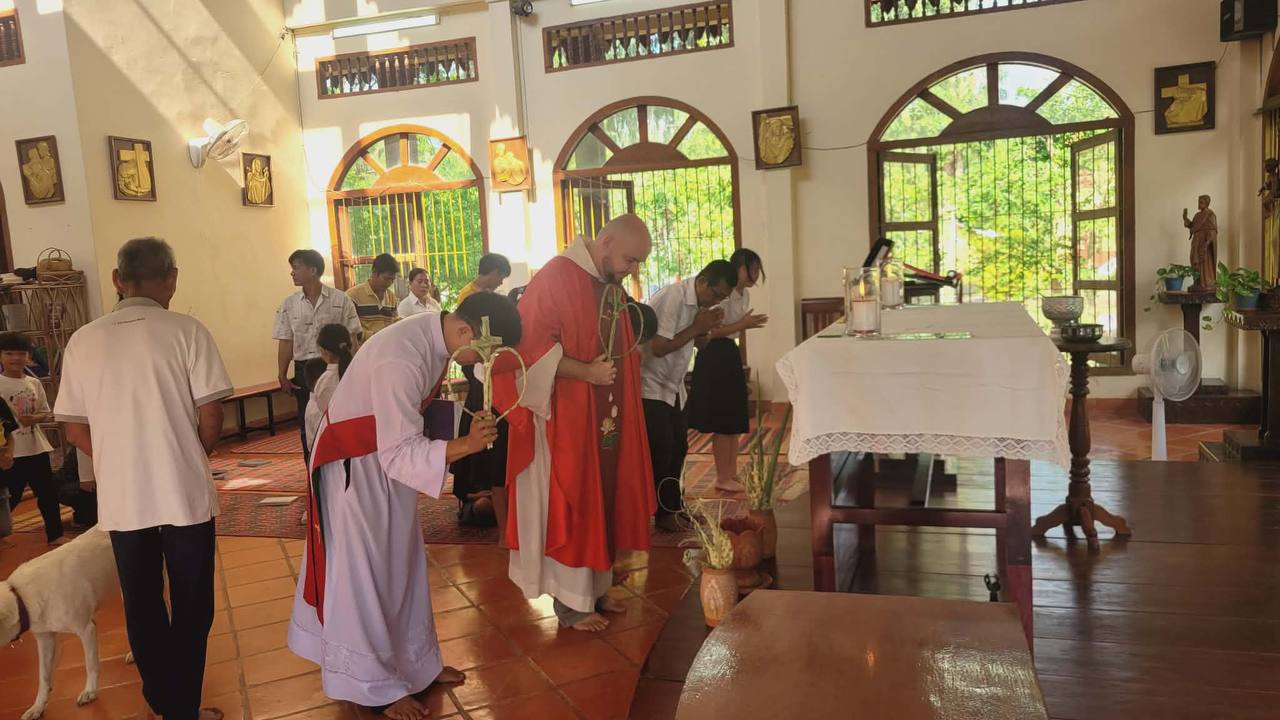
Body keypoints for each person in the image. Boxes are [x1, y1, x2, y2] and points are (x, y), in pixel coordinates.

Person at [289, 293, 521, 720]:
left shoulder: (436, 338)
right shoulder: (402, 356)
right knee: (365, 573)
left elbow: (409, 424)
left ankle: (417, 666)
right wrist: (466, 445)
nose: (485, 365)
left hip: (385, 461)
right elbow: (398, 451)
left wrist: (461, 433)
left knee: (402, 564)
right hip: (355, 467)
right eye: (487, 354)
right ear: (466, 331)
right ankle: (372, 686)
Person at [55, 237, 232, 720]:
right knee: (192, 602)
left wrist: (118, 458)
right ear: (172, 278)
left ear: (117, 279)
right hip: (184, 492)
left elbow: (73, 427)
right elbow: (211, 414)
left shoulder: (84, 340)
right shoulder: (187, 330)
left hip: (123, 497)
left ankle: (163, 701)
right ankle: (182, 707)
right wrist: (186, 454)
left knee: (141, 601)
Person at [493, 214, 657, 633]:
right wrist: (586, 373)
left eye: (638, 262)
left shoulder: (607, 284)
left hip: (600, 417)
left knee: (602, 496)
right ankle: (571, 603)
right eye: (630, 259)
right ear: (606, 242)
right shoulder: (556, 277)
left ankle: (595, 590)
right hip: (562, 420)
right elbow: (526, 351)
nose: (632, 270)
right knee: (573, 503)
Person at [641, 261, 737, 531]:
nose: (716, 300)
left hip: (673, 386)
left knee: (679, 449)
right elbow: (658, 347)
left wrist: (706, 328)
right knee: (662, 451)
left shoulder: (700, 303)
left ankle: (675, 507)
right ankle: (663, 514)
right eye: (716, 294)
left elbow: (700, 343)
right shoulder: (673, 297)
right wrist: (697, 327)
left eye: (722, 298)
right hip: (650, 385)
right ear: (703, 281)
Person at [687, 249, 769, 493]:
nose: (755, 274)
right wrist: (742, 324)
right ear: (738, 268)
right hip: (713, 354)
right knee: (722, 420)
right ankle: (723, 476)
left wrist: (742, 326)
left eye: (757, 269)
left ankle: (730, 473)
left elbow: (732, 329)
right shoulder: (723, 295)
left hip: (729, 354)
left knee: (733, 419)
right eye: (751, 268)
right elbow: (708, 332)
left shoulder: (744, 295)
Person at [273, 249, 362, 459]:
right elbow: (286, 340)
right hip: (306, 369)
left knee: (340, 416)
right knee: (309, 421)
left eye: (296, 268)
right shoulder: (289, 305)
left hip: (335, 365)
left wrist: (355, 370)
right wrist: (282, 374)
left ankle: (343, 462)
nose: (292, 273)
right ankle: (313, 467)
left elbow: (353, 338)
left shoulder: (340, 299)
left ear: (313, 270)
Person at [0, 332, 63, 545]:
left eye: (21, 353)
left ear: (29, 356)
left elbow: (45, 411)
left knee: (47, 494)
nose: (15, 358)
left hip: (36, 447)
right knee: (11, 496)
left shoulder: (34, 383)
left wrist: (32, 419)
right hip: (10, 451)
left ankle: (55, 535)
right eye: (9, 353)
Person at [303, 324, 354, 450]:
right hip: (364, 440)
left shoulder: (324, 382)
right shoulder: (362, 371)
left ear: (324, 352)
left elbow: (324, 416)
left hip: (337, 446)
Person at [349, 253, 400, 338]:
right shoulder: (353, 296)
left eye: (392, 280)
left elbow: (394, 322)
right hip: (365, 345)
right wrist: (376, 336)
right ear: (374, 273)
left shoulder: (391, 297)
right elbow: (351, 329)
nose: (389, 283)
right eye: (386, 278)